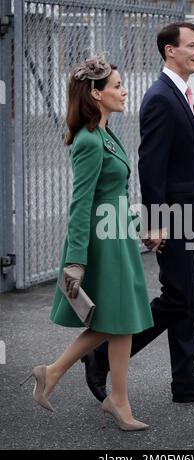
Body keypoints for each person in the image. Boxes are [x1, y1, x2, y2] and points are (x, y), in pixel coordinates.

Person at [82, 23, 194, 404]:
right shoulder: (160, 97)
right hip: (173, 216)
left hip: (189, 213)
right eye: (192, 45)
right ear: (170, 50)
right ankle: (100, 357)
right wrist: (157, 220)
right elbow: (151, 165)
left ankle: (186, 378)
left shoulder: (179, 92)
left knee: (186, 295)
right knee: (177, 297)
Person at [20, 56, 154, 432]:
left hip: (117, 236)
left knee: (117, 321)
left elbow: (115, 194)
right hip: (100, 244)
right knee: (120, 320)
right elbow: (81, 204)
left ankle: (55, 373)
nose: (124, 91)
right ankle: (115, 399)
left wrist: (136, 226)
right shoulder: (90, 141)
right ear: (96, 94)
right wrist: (75, 261)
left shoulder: (106, 134)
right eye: (116, 86)